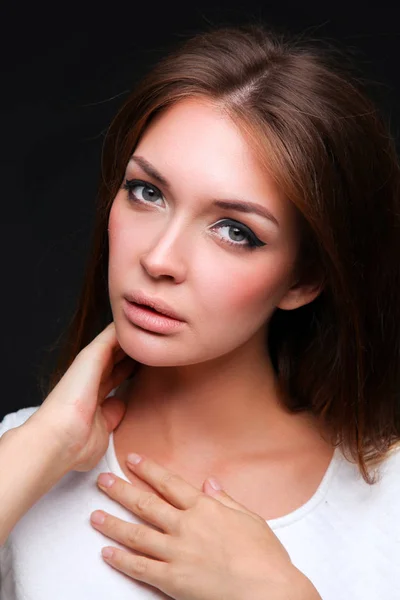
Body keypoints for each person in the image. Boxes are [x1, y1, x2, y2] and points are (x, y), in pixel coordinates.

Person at [1, 22, 399, 600]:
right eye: (147, 192)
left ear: (306, 278)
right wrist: (43, 447)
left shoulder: (387, 499)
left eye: (234, 230)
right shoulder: (25, 457)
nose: (159, 258)